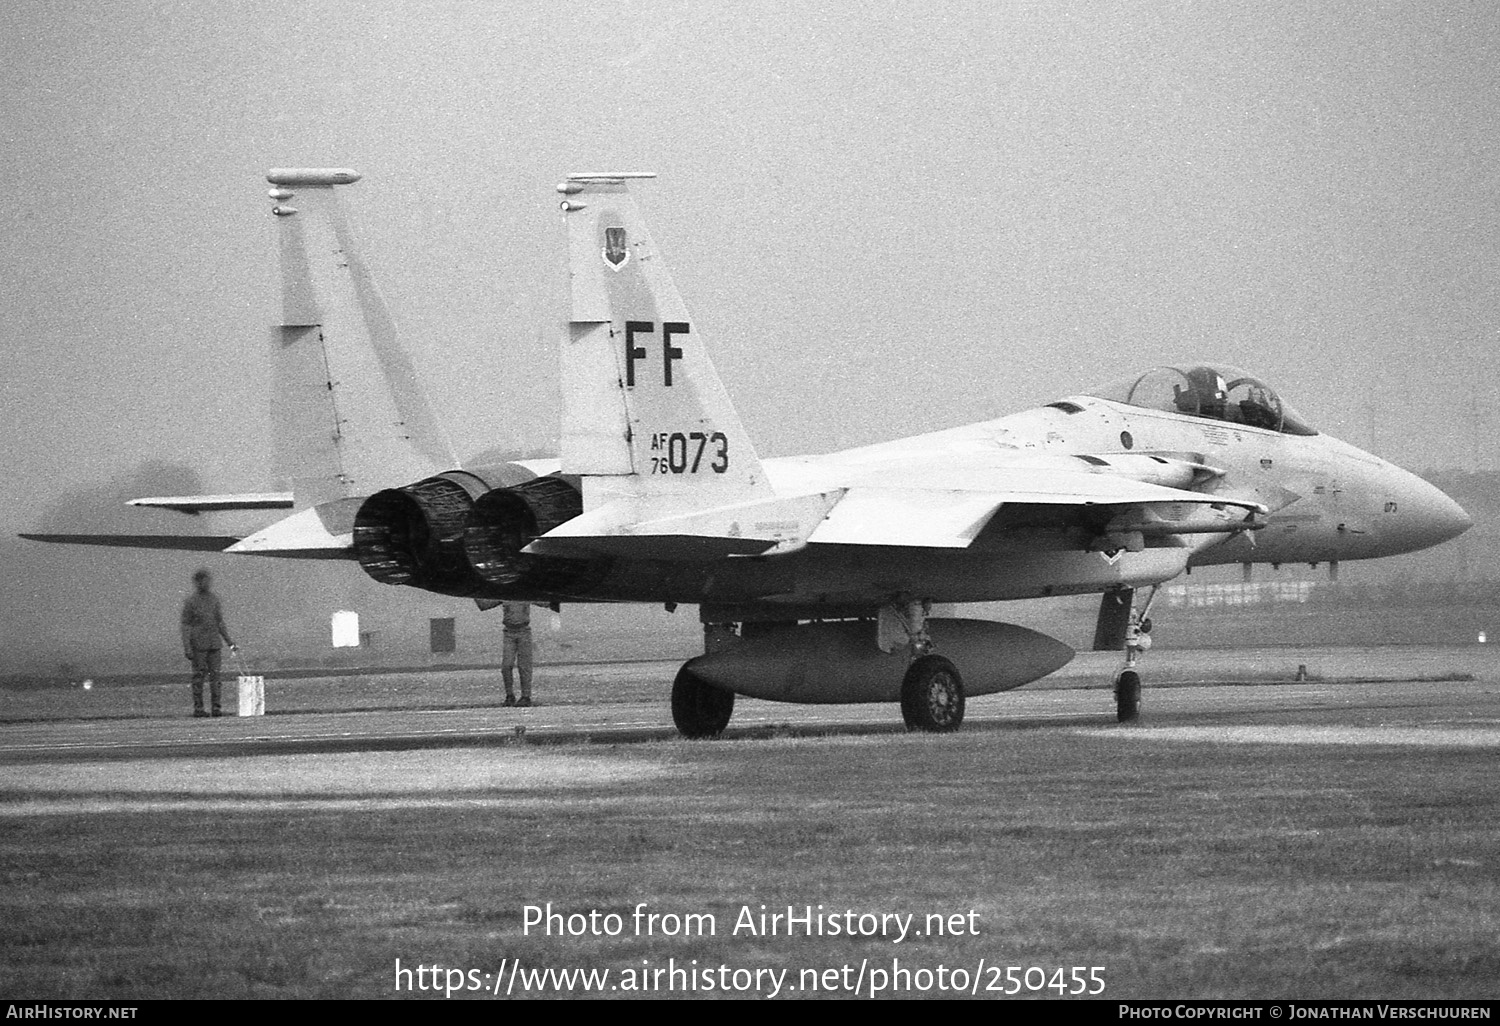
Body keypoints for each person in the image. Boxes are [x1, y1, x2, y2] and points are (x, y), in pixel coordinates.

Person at [181, 568, 237, 718]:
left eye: (207, 580)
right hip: (198, 645)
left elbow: (219, 622)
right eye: (203, 580)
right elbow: (185, 625)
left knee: (216, 678)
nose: (206, 583)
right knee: (198, 677)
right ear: (197, 582)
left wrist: (230, 642)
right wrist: (187, 647)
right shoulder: (191, 602)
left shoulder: (214, 600)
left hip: (214, 644)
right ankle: (199, 709)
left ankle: (216, 708)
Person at [501, 602, 534, 707]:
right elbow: (485, 603)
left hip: (524, 631)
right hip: (508, 632)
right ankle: (509, 695)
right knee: (506, 665)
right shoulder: (504, 593)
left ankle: (526, 696)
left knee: (524, 666)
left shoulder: (525, 593)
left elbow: (544, 601)